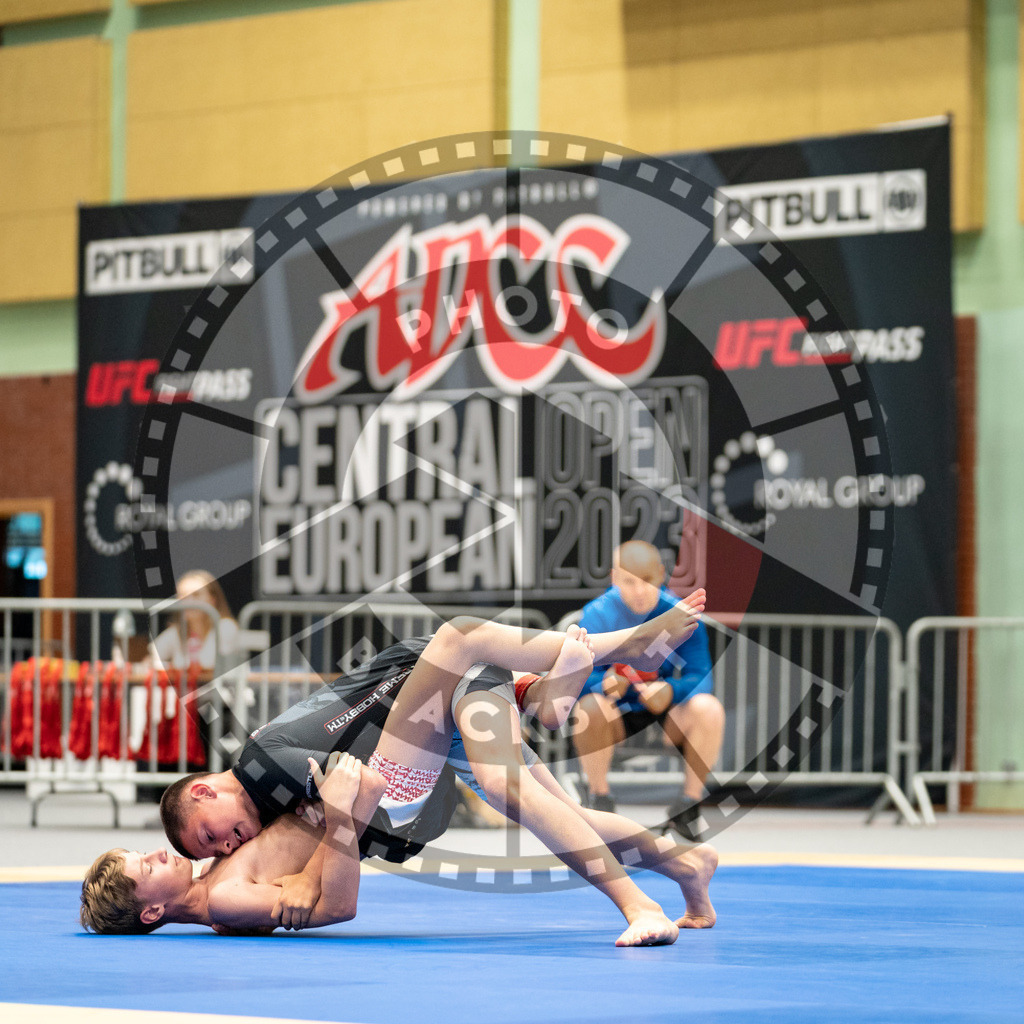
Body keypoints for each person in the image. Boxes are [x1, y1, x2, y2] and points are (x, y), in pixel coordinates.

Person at [84, 603, 717, 944]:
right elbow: (331, 904)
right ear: (150, 911)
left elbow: (303, 881)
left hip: (394, 762)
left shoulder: (232, 857)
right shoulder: (222, 897)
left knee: (556, 811)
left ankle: (685, 867)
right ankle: (582, 669)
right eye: (150, 867)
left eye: (210, 836)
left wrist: (323, 814)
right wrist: (334, 814)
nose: (224, 845)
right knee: (458, 643)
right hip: (387, 797)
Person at [569, 541, 725, 841]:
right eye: (629, 582)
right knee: (590, 707)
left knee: (709, 709)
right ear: (614, 579)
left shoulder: (681, 614)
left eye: (647, 581)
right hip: (615, 716)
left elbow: (701, 675)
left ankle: (689, 806)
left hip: (665, 716)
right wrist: (603, 684)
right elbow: (576, 677)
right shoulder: (597, 614)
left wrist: (671, 690)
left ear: (661, 575)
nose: (639, 591)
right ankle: (600, 801)